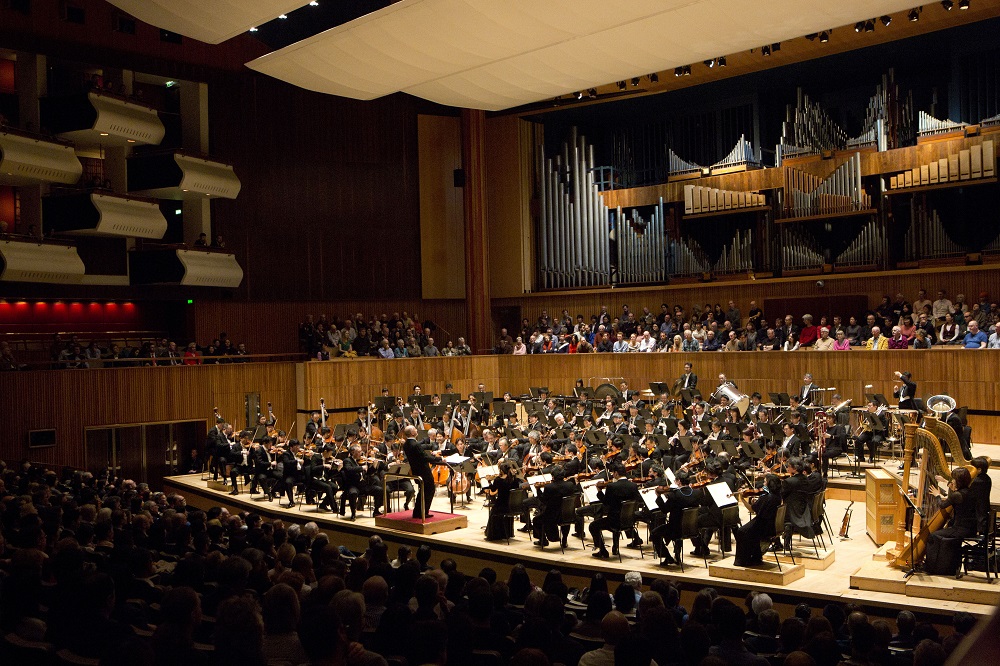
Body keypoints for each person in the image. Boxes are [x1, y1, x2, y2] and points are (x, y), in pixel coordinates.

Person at [923, 467, 977, 575]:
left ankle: (930, 567)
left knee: (933, 536)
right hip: (971, 528)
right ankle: (939, 565)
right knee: (940, 534)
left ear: (958, 481)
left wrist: (937, 495)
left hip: (961, 529)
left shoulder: (957, 495)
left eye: (953, 479)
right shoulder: (970, 491)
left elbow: (942, 505)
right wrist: (945, 481)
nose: (952, 481)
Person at [402, 425, 443, 519]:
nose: (417, 430)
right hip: (423, 471)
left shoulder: (406, 444)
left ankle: (417, 512)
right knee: (429, 490)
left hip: (416, 470)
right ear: (412, 433)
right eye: (415, 429)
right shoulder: (415, 444)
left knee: (422, 491)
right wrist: (438, 458)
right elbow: (424, 457)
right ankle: (423, 512)